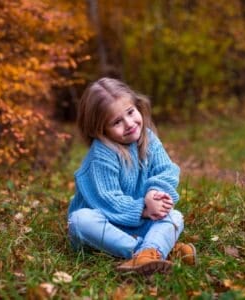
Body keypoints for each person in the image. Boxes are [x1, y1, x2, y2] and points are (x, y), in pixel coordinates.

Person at [67, 77, 196, 275]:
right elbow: (107, 200)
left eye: (130, 112)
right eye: (117, 121)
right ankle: (152, 251)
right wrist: (144, 208)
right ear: (99, 130)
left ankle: (148, 254)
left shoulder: (148, 138)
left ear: (138, 107)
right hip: (106, 227)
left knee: (175, 216)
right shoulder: (101, 155)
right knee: (79, 220)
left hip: (137, 223)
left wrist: (155, 193)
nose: (129, 123)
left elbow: (166, 170)